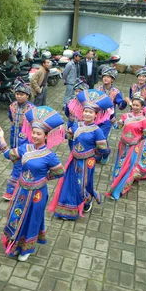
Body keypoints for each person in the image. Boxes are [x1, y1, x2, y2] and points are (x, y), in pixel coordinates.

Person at [0, 106, 65, 261]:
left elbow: (60, 172)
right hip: (21, 190)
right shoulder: (25, 147)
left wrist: (44, 178)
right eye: (33, 132)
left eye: (39, 134)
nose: (35, 136)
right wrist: (1, 138)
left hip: (37, 193)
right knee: (16, 215)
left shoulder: (49, 156)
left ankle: (27, 248)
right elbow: (9, 155)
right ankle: (15, 241)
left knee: (32, 218)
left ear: (46, 136)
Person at [48, 90, 112, 220]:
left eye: (91, 112)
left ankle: (88, 199)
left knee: (83, 183)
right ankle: (69, 208)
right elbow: (68, 135)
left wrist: (95, 153)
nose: (87, 114)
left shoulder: (97, 131)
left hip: (88, 161)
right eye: (86, 111)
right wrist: (53, 131)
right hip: (74, 159)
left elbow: (104, 149)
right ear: (82, 112)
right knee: (71, 182)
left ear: (96, 115)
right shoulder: (77, 125)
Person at [108, 94, 146, 200]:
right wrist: (111, 117)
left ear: (142, 107)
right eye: (134, 105)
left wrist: (137, 141)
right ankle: (117, 181)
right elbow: (117, 126)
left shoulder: (144, 120)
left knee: (128, 167)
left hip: (134, 146)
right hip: (123, 145)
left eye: (138, 106)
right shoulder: (125, 116)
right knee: (120, 164)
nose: (135, 107)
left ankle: (120, 189)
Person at [3, 82, 36, 201]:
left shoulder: (32, 109)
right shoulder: (12, 106)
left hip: (27, 141)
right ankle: (23, 186)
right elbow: (11, 118)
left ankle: (10, 191)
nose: (19, 96)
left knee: (18, 166)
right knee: (18, 164)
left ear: (27, 95)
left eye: (22, 94)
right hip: (14, 139)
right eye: (17, 94)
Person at [96, 66, 127, 139]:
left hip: (108, 118)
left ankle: (104, 150)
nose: (105, 78)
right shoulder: (98, 89)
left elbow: (121, 106)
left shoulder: (116, 92)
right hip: (96, 116)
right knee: (95, 136)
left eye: (108, 77)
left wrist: (124, 102)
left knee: (102, 137)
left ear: (112, 79)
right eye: (104, 77)